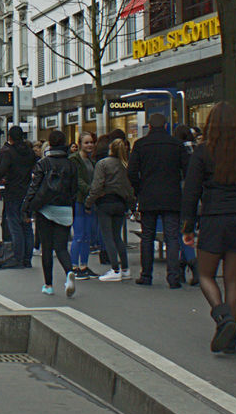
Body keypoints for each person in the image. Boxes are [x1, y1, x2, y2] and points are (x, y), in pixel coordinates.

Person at [182, 102, 236, 354]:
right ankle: (233, 328)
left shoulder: (204, 151)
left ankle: (222, 316)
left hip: (215, 217)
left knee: (206, 274)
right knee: (233, 277)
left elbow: (192, 190)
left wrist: (188, 225)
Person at [128, 113, 189, 287]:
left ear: (149, 125)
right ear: (166, 125)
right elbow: (187, 170)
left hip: (148, 196)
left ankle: (146, 275)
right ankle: (173, 277)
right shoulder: (176, 145)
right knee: (172, 237)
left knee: (147, 237)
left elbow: (132, 172)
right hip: (171, 195)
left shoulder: (140, 145)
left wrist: (139, 189)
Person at [24, 130, 78, 296]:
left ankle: (48, 285)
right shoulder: (71, 164)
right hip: (65, 209)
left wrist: (27, 207)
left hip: (45, 209)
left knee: (46, 248)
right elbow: (74, 189)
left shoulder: (43, 163)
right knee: (61, 247)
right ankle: (69, 271)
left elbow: (34, 186)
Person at [87, 138, 135, 282]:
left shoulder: (102, 164)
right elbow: (129, 188)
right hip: (120, 203)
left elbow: (97, 186)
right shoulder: (125, 165)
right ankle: (125, 268)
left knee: (107, 236)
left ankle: (115, 269)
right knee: (117, 236)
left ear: (110, 149)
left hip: (105, 203)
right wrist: (132, 205)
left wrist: (89, 202)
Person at [0, 125, 37, 268]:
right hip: (27, 191)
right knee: (26, 225)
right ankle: (27, 258)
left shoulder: (9, 152)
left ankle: (18, 258)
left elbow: (2, 170)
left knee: (15, 225)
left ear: (10, 137)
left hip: (13, 191)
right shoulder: (30, 152)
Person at [68, 132, 98, 279]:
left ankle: (84, 265)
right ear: (80, 144)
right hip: (79, 200)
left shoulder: (91, 161)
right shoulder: (74, 160)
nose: (90, 145)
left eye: (91, 142)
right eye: (86, 142)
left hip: (89, 201)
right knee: (79, 235)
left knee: (87, 235)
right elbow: (78, 180)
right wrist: (92, 191)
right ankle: (74, 266)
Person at [173, 125, 201, 285]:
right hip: (197, 193)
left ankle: (191, 262)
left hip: (181, 192)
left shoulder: (177, 150)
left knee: (181, 230)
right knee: (188, 229)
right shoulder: (198, 149)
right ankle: (183, 265)